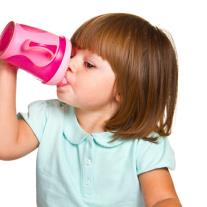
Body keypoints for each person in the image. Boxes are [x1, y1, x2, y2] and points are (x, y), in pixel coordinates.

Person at [0, 13, 182, 207]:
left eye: (89, 64)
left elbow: (163, 199)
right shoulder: (48, 116)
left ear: (123, 90)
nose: (68, 64)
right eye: (72, 54)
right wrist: (7, 67)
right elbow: (6, 145)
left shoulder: (144, 143)